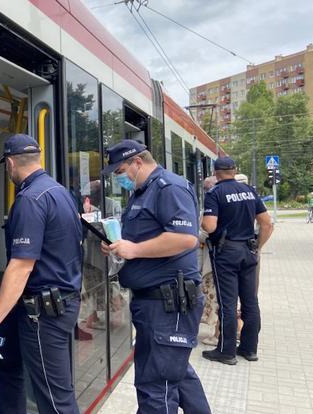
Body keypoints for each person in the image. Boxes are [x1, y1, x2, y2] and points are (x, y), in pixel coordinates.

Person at [0, 133, 83, 414]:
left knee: (55, 399)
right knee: (5, 360)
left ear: (9, 163)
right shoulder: (61, 193)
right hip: (48, 303)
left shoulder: (30, 200)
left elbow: (21, 267)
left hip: (43, 313)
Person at [99, 139, 211, 413]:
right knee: (176, 372)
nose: (118, 177)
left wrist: (134, 249)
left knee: (156, 388)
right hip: (154, 303)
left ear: (138, 162)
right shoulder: (141, 192)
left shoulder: (169, 187)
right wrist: (118, 245)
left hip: (168, 303)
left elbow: (185, 239)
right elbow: (148, 237)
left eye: (120, 170)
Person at [201, 157, 274, 365]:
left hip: (226, 253)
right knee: (251, 302)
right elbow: (267, 224)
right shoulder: (250, 191)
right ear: (234, 170)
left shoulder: (214, 193)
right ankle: (249, 349)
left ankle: (226, 351)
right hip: (248, 251)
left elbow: (210, 226)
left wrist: (204, 225)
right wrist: (257, 247)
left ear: (216, 173)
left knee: (227, 303)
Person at [198, 176, 220, 346]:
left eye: (207, 189)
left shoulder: (213, 209)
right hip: (232, 259)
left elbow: (206, 232)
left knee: (215, 297)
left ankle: (218, 334)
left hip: (215, 260)